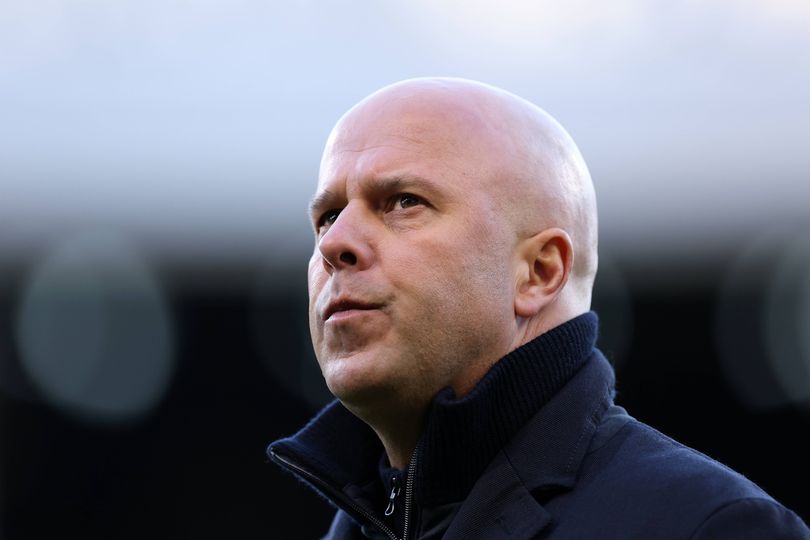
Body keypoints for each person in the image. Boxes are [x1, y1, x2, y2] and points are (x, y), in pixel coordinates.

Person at [267, 77, 810, 539]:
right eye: (328, 216)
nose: (335, 244)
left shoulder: (705, 525)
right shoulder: (355, 526)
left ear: (540, 272)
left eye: (405, 202)